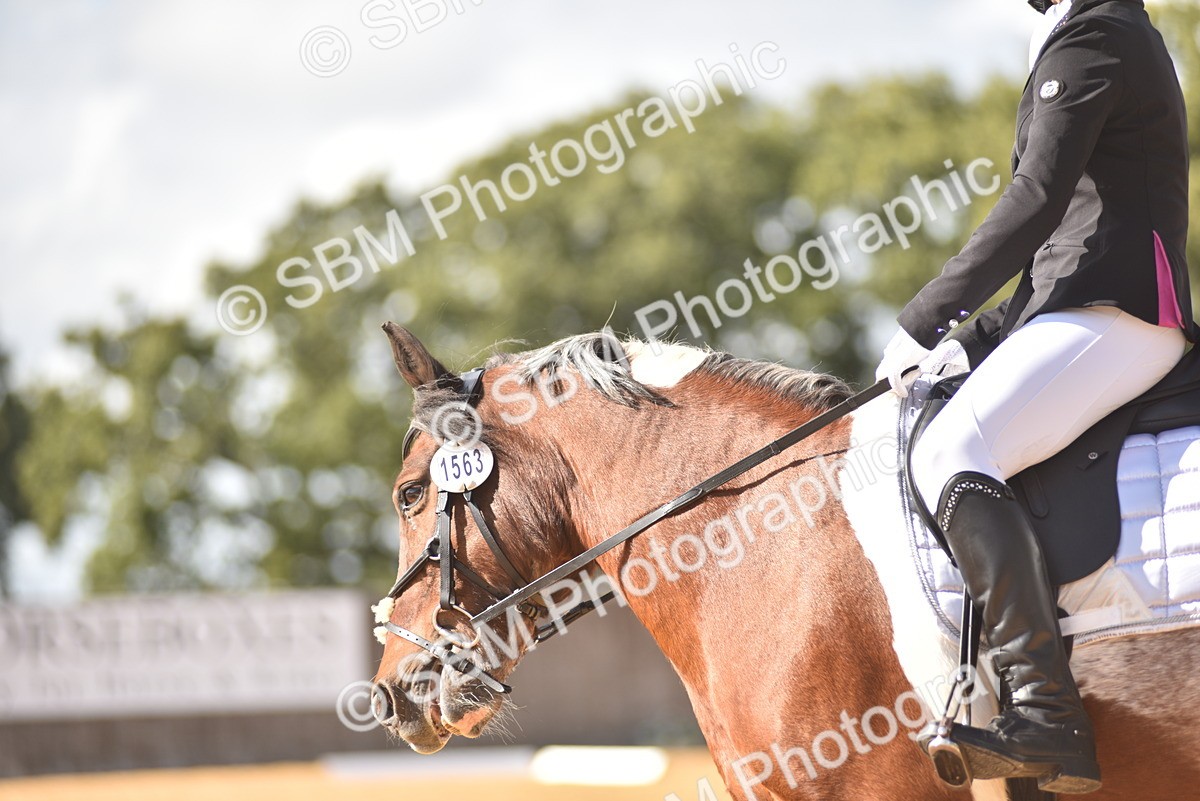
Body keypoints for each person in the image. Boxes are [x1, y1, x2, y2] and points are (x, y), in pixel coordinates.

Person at [875, 0, 1195, 793]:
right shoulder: (1091, 33)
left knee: (952, 449)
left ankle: (1045, 710)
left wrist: (923, 317)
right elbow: (1060, 244)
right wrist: (970, 337)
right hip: (1082, 307)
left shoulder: (1098, 35)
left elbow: (1039, 199)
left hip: (1121, 312)